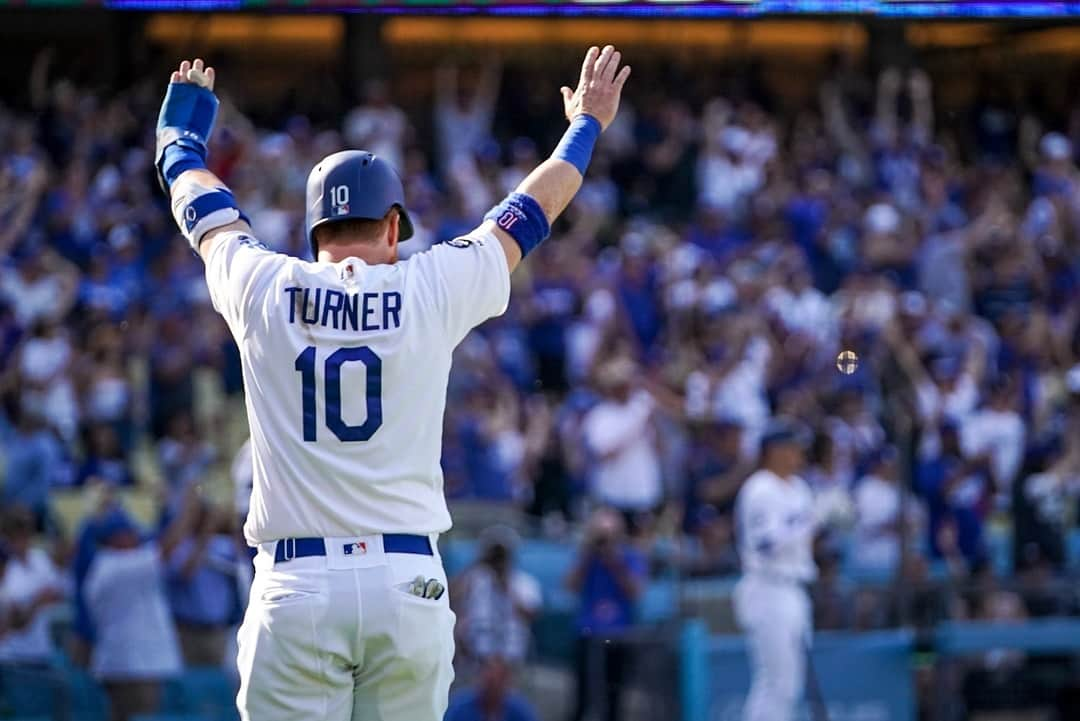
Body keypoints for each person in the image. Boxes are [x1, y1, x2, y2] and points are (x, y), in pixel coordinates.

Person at [154, 47, 630, 721]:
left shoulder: (263, 283)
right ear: (394, 226)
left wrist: (178, 138)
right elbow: (530, 211)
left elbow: (198, 201)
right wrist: (586, 125)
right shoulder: (427, 283)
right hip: (405, 579)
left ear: (315, 227)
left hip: (297, 582)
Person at [733, 419, 817, 721]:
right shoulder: (759, 488)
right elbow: (766, 545)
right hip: (767, 587)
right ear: (773, 450)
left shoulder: (799, 488)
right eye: (791, 446)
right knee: (774, 683)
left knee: (790, 685)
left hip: (795, 587)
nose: (798, 453)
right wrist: (813, 520)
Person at [84, 509, 183, 721]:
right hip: (133, 670)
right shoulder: (115, 565)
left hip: (130, 667)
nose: (136, 539)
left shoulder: (110, 565)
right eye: (131, 534)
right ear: (117, 538)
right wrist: (188, 513)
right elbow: (166, 548)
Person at [565, 507, 646, 721]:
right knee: (582, 701)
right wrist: (588, 553)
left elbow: (635, 592)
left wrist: (614, 559)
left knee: (614, 702)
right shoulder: (587, 557)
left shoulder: (630, 556)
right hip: (588, 632)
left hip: (618, 636)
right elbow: (570, 586)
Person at [444, 655, 540, 721]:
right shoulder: (459, 707)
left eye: (497, 682)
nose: (491, 688)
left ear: (507, 683)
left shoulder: (520, 711)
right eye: (488, 682)